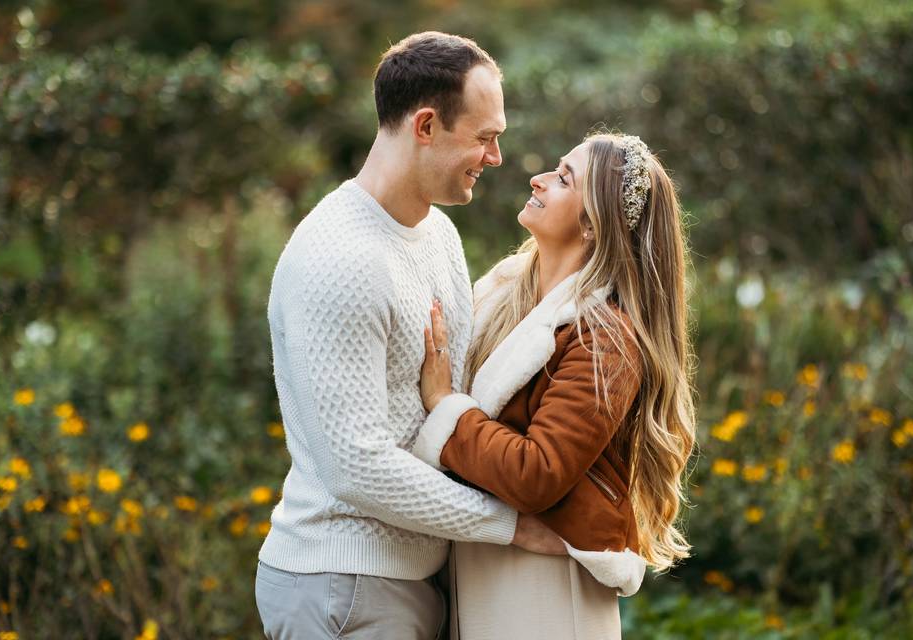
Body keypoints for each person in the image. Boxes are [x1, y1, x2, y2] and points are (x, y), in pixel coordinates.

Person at [255, 32, 563, 640]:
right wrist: (511, 525)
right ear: (425, 126)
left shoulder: (439, 235)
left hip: (414, 581)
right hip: (342, 586)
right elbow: (356, 467)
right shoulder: (340, 258)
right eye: (484, 137)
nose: (496, 157)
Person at [414, 132, 697, 639]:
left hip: (546, 588)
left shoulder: (606, 340)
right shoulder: (502, 294)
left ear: (592, 224)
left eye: (563, 178)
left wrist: (444, 406)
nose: (538, 179)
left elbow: (535, 473)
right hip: (484, 568)